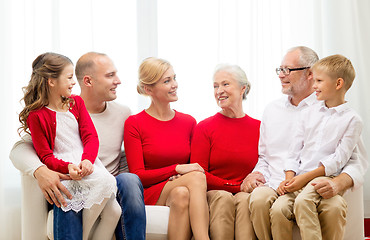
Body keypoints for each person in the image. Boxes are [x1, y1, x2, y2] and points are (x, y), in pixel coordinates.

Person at [10, 52, 146, 240]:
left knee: (121, 196)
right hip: (67, 173)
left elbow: (92, 137)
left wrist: (87, 161)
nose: (119, 81)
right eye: (110, 75)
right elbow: (29, 150)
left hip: (96, 171)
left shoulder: (117, 112)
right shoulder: (41, 114)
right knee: (68, 196)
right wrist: (45, 170)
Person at [242, 46, 368, 240]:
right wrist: (257, 174)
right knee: (259, 200)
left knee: (331, 206)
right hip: (277, 181)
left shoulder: (330, 109)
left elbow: (355, 160)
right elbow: (265, 156)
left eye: (287, 70)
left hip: (316, 182)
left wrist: (338, 183)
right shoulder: (271, 110)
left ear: (309, 73)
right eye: (280, 70)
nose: (281, 75)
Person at [273, 54, 363, 240]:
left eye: (319, 81)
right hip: (300, 177)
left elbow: (340, 158)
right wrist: (290, 178)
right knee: (278, 209)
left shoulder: (352, 120)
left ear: (338, 84)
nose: (314, 86)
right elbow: (293, 151)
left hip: (323, 177)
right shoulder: (307, 113)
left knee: (304, 202)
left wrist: (305, 178)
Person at [124, 57, 210, 240]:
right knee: (195, 177)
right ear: (149, 90)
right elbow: (137, 175)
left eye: (174, 78)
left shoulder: (188, 122)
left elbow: (194, 167)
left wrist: (180, 175)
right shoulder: (135, 123)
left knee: (181, 194)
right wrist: (176, 168)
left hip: (178, 186)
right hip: (150, 191)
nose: (175, 85)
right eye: (167, 81)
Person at [190, 64, 260, 240]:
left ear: (243, 88)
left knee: (245, 200)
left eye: (225, 84)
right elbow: (199, 173)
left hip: (245, 193)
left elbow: (267, 164)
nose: (219, 90)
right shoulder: (205, 127)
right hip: (215, 193)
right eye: (215, 86)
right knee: (224, 198)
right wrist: (236, 186)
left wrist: (249, 185)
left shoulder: (259, 127)